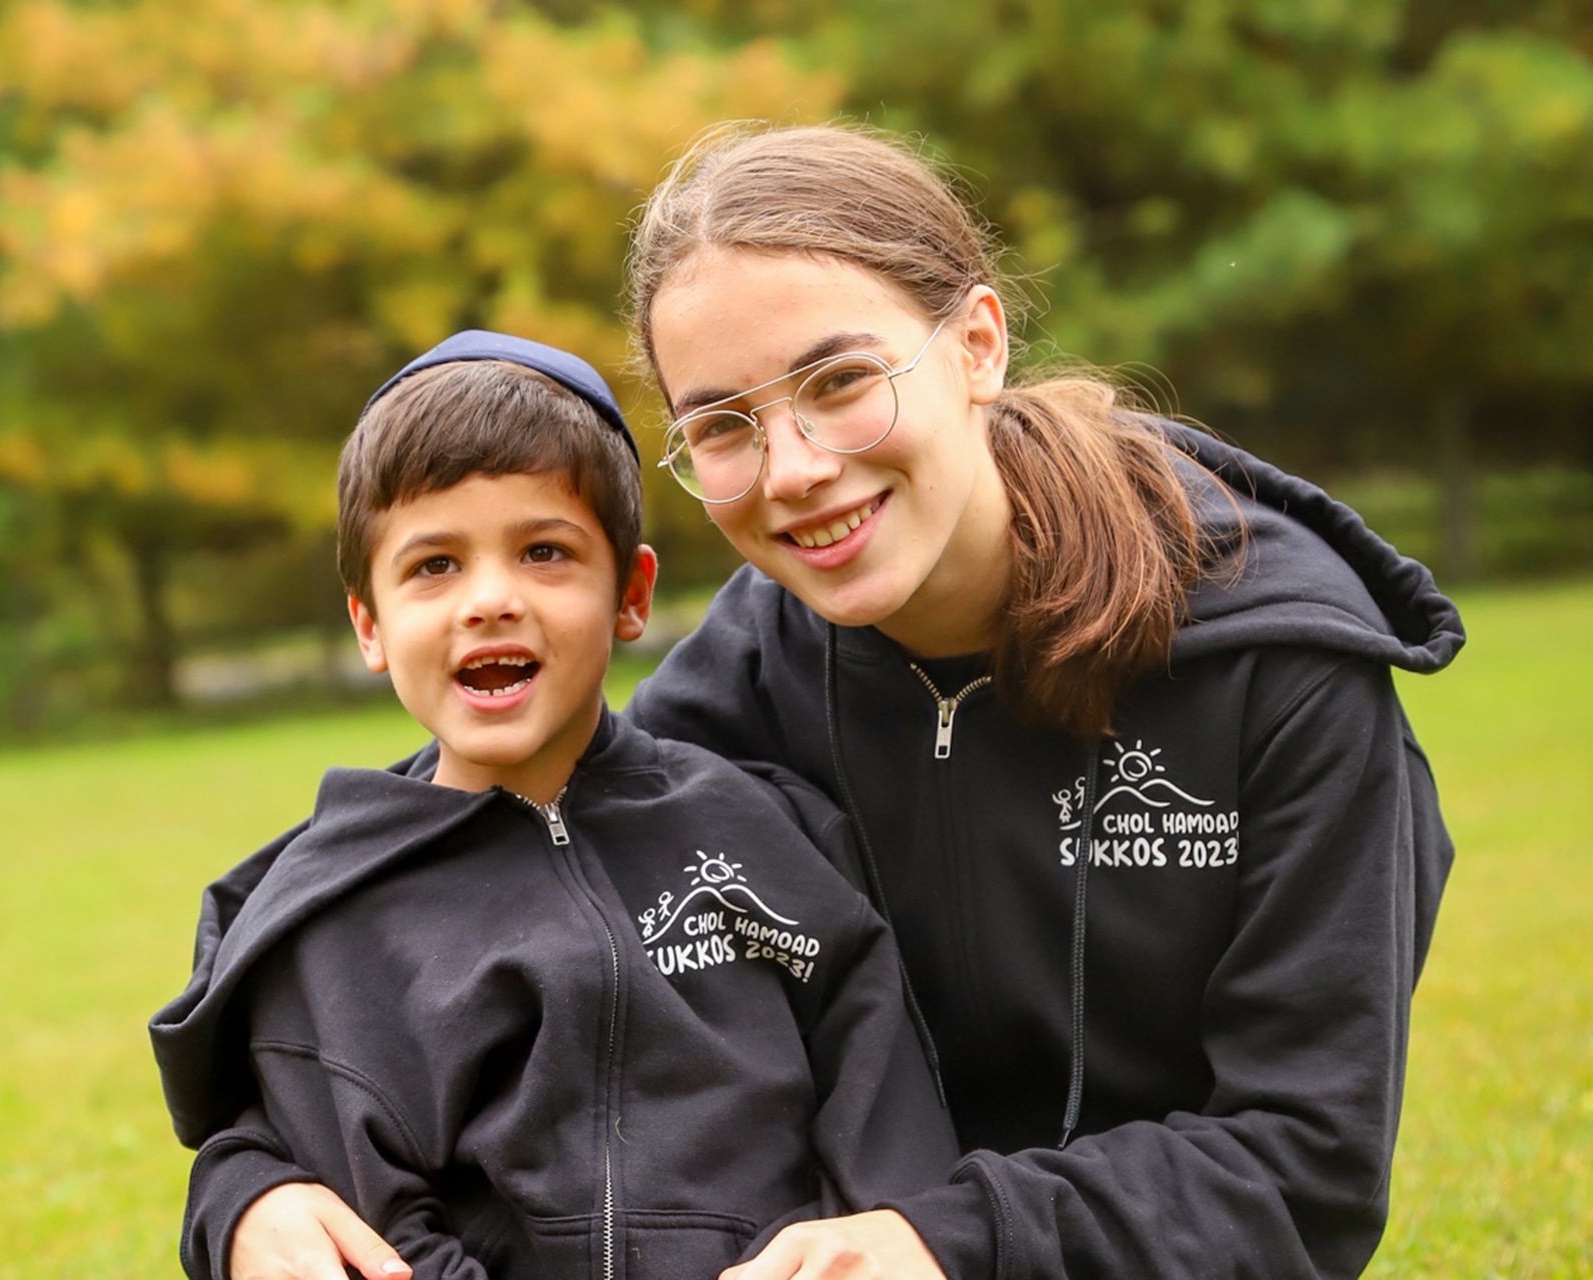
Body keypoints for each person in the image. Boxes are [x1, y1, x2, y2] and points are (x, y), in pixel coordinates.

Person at [192, 123, 1464, 1279]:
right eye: (727, 425)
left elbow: (1307, 1170)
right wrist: (249, 1189)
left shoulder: (1280, 671)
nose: (796, 470)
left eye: (841, 380)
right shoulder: (733, 698)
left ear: (976, 342)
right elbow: (453, 904)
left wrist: (945, 1237)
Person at [149, 331, 960, 1280]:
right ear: (368, 623)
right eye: (433, 566)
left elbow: (888, 1138)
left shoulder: (772, 838)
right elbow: (377, 1232)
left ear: (632, 594)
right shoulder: (331, 923)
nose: (489, 600)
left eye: (544, 552)